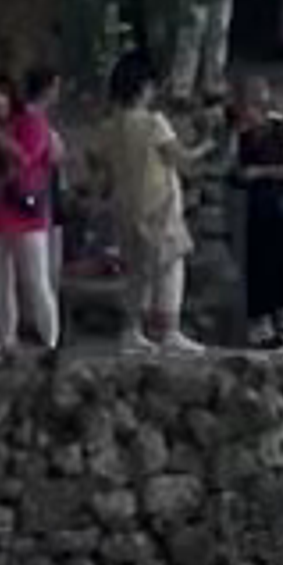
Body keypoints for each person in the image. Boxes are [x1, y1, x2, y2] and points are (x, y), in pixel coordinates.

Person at [103, 48, 203, 355]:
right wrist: (209, 144)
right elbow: (182, 159)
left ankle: (131, 331)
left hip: (126, 205)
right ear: (143, 86)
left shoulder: (110, 125)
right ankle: (169, 330)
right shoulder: (153, 123)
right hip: (159, 204)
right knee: (171, 266)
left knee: (137, 272)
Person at [0, 65, 65, 359]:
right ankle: (7, 340)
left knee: (36, 280)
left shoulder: (30, 122)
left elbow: (25, 158)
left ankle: (50, 342)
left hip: (25, 214)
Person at [228, 73, 283, 349]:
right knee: (256, 267)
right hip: (254, 211)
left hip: (281, 208)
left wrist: (261, 172)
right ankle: (260, 325)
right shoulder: (241, 135)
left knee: (279, 266)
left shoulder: (281, 130)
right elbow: (232, 168)